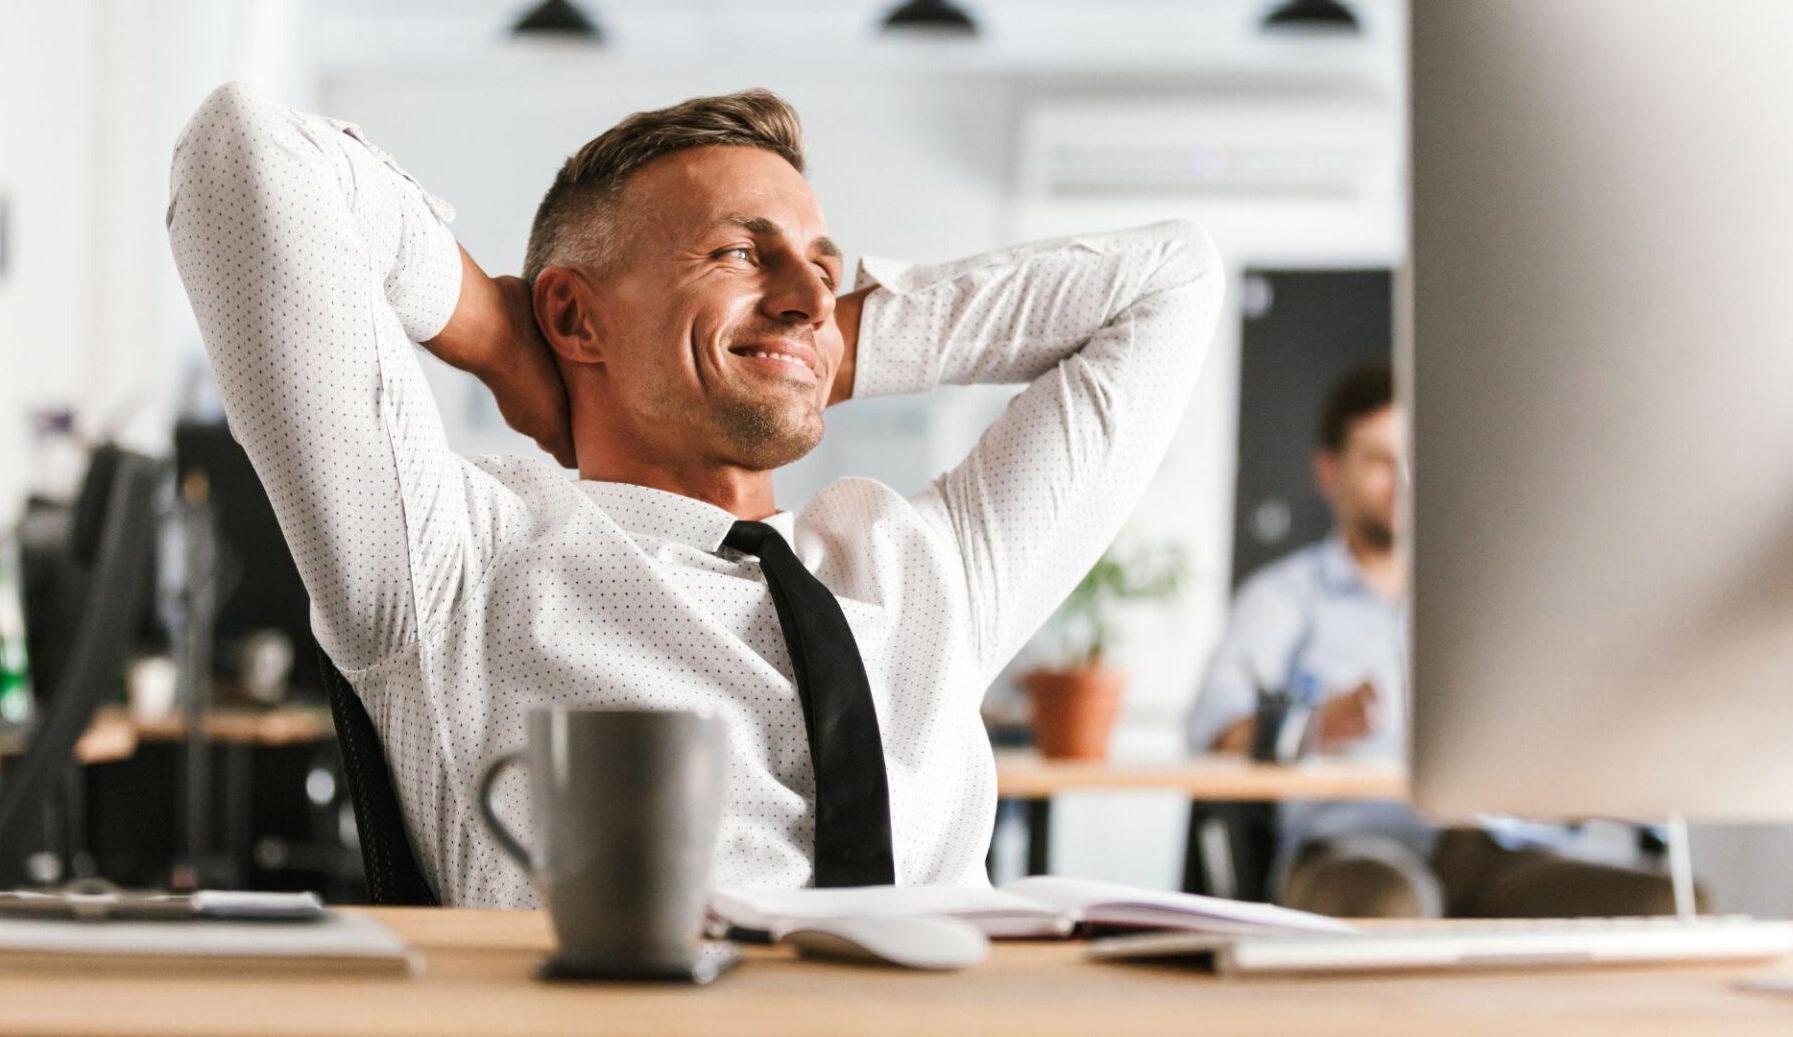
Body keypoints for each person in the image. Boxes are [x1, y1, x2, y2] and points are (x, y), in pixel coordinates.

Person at [167, 83, 1222, 907]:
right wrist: (496, 337)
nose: (810, 293)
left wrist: (815, 339)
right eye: (739, 252)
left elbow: (1172, 281)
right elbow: (243, 156)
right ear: (577, 319)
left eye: (822, 268)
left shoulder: (924, 566)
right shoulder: (456, 560)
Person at [1186, 365, 1690, 918]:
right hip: (1350, 850)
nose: (1402, 479)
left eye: (1413, 459)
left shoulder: (1483, 599)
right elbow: (1214, 728)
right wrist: (1316, 725)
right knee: (1391, 904)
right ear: (1329, 472)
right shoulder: (1284, 598)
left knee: (1666, 903)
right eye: (1380, 461)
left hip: (1486, 845)